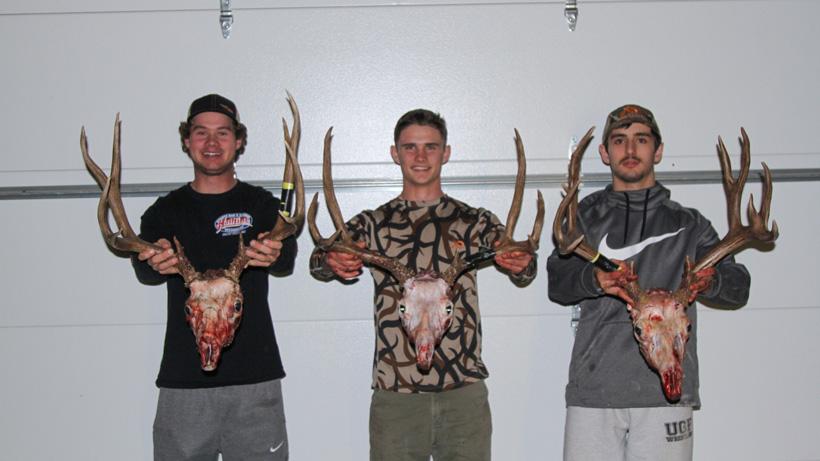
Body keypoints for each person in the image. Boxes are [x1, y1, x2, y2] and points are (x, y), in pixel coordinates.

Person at [309, 109, 537, 461]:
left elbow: (523, 263)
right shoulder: (373, 224)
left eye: (431, 147)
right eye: (410, 147)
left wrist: (521, 262)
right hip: (396, 393)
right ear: (394, 153)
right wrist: (329, 261)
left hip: (463, 391)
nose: (420, 156)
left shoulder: (473, 221)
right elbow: (319, 259)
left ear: (446, 153)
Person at [547, 104, 751, 461]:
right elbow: (557, 283)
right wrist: (594, 278)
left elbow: (738, 287)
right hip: (596, 390)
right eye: (619, 140)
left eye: (641, 140)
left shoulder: (690, 225)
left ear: (657, 151)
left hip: (665, 394)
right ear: (604, 153)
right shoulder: (583, 219)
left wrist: (712, 281)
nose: (630, 150)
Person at [131, 94, 296, 460]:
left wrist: (275, 253)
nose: (211, 143)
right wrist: (153, 259)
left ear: (238, 141)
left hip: (254, 379)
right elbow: (144, 270)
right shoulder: (164, 212)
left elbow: (286, 259)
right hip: (184, 382)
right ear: (186, 141)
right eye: (200, 132)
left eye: (222, 133)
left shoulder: (262, 206)